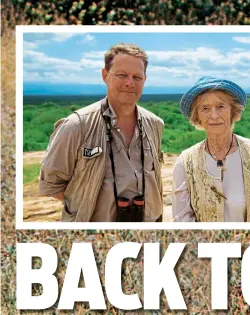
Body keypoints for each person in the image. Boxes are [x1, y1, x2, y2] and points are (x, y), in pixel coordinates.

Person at [39, 43, 164, 222]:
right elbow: (52, 185)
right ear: (105, 75)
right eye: (122, 75)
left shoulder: (155, 124)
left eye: (137, 77)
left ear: (145, 79)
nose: (130, 82)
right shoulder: (76, 125)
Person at [172, 76, 250, 222]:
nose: (214, 115)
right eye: (205, 108)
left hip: (248, 244)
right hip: (203, 244)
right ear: (197, 116)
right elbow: (182, 219)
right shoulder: (185, 161)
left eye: (221, 107)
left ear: (232, 111)